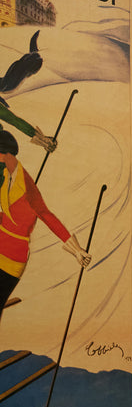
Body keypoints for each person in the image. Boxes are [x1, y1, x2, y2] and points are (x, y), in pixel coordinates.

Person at [0, 128, 89, 322]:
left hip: (12, 256)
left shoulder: (27, 186)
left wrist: (76, 250)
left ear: (5, 154)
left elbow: (47, 216)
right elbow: (7, 215)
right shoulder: (6, 175)